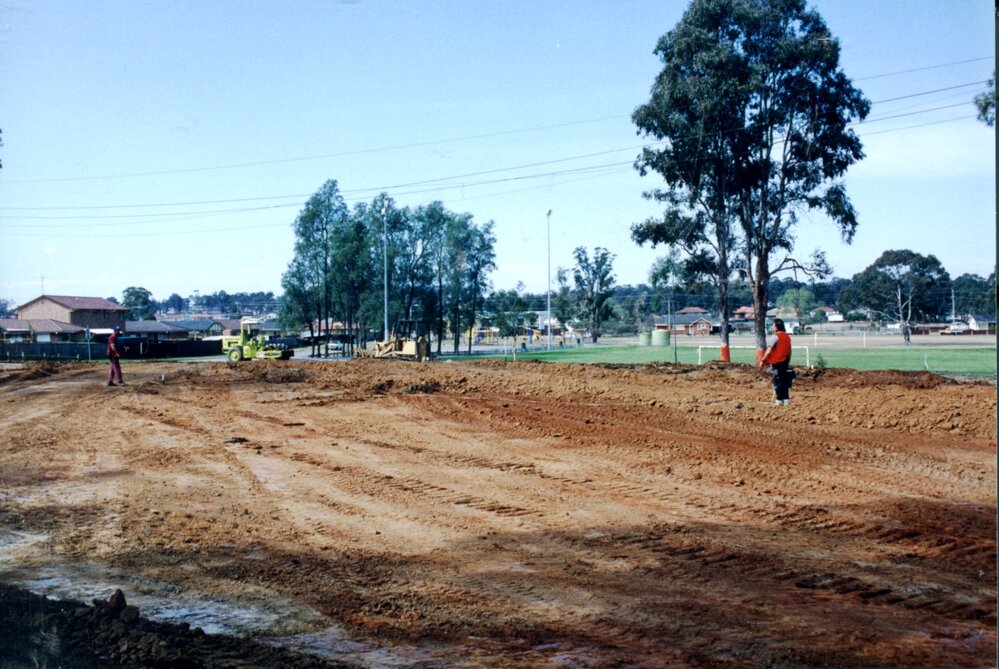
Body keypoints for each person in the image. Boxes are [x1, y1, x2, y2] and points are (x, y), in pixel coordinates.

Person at [758, 318, 791, 405]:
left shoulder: (775, 337)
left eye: (773, 325)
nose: (772, 327)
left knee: (777, 381)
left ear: (777, 327)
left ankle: (779, 400)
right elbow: (789, 350)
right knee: (784, 380)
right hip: (785, 361)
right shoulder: (787, 336)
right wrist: (788, 361)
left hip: (776, 362)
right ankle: (786, 399)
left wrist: (763, 359)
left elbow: (769, 350)